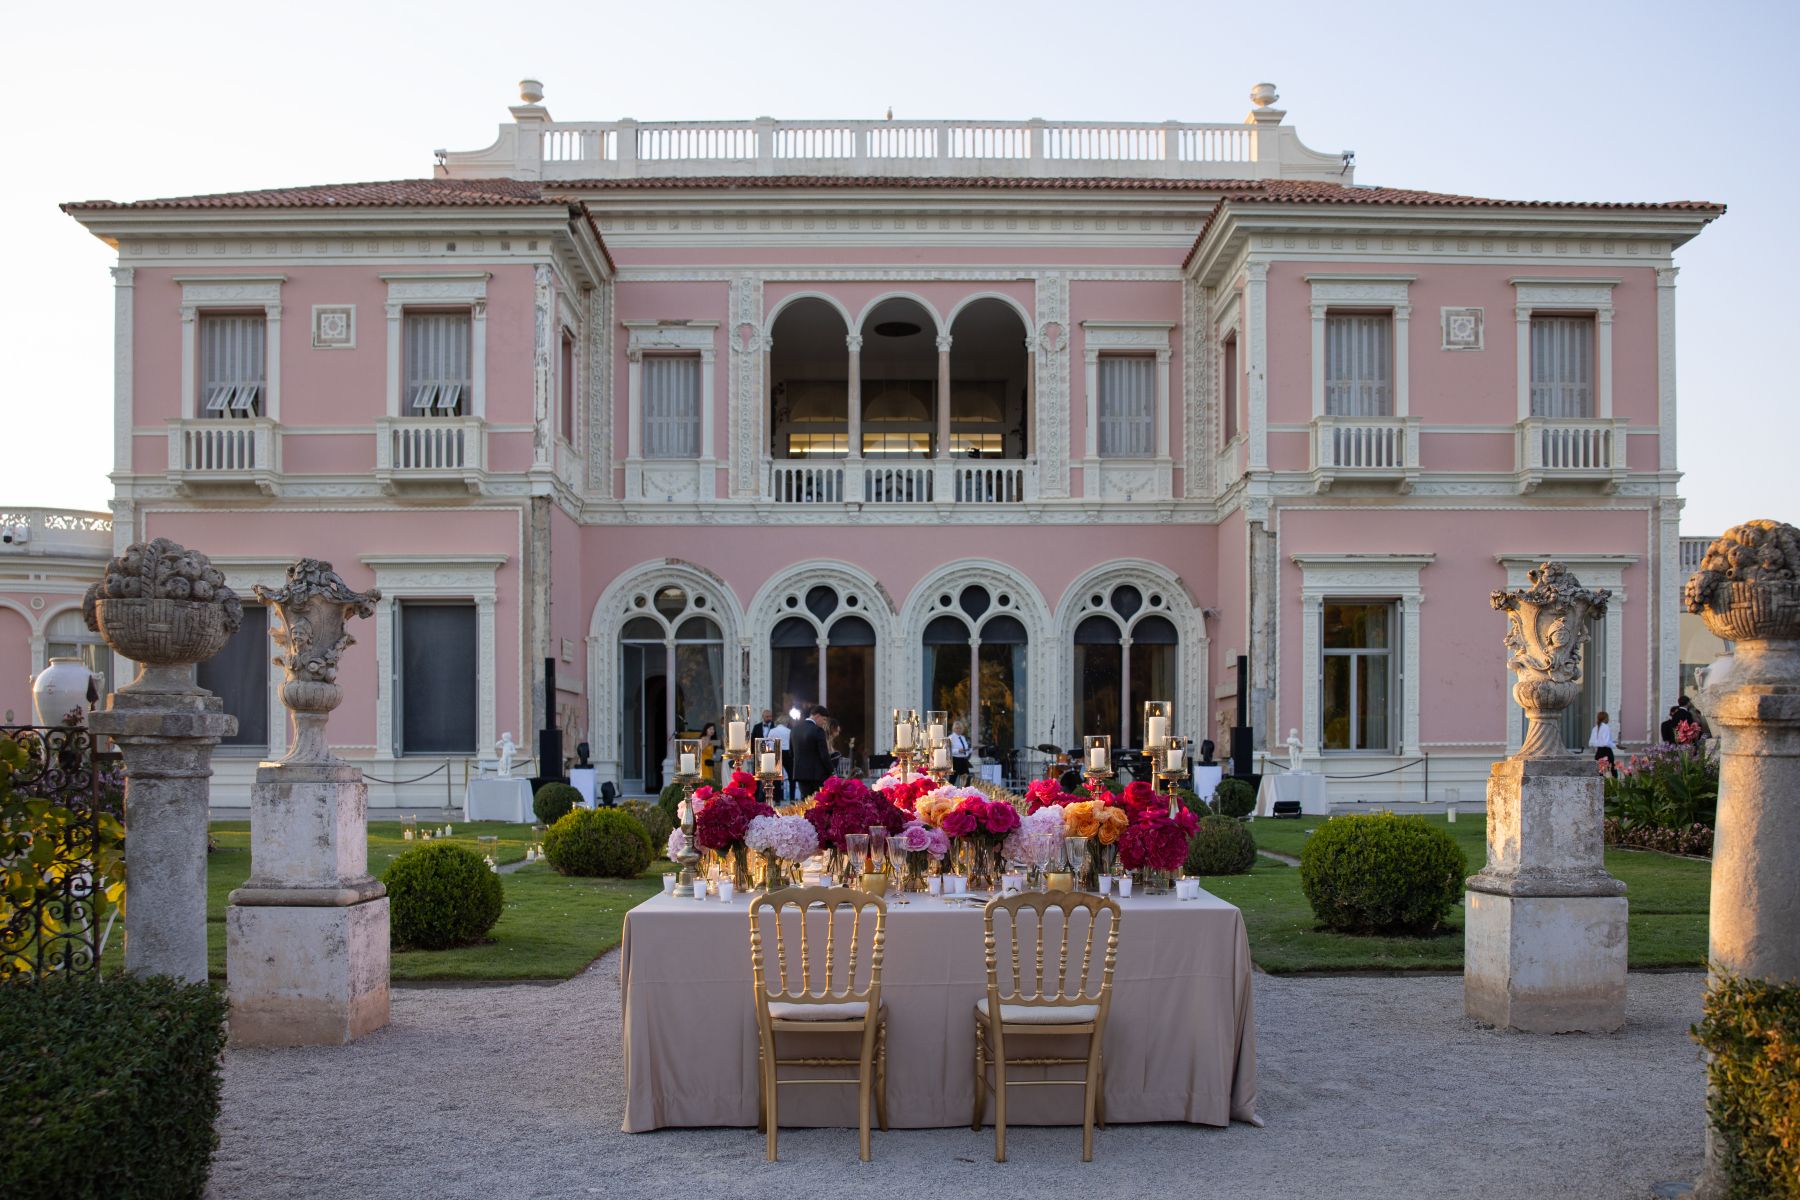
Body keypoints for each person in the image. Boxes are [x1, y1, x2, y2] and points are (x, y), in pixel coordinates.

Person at [791, 704, 834, 799]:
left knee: (805, 804)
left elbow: (791, 752)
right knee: (817, 804)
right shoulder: (818, 730)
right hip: (817, 775)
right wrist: (832, 771)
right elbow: (824, 755)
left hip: (800, 773)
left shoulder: (795, 729)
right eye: (824, 720)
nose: (824, 723)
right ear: (817, 716)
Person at [768, 716, 794, 802]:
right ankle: (792, 798)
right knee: (791, 776)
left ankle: (777, 799)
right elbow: (791, 743)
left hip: (776, 751)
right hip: (787, 752)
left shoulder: (772, 731)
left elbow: (769, 742)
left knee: (777, 777)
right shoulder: (789, 731)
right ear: (785, 722)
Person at [1588, 711, 1618, 776]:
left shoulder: (1594, 728)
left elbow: (1590, 743)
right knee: (1612, 771)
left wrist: (1598, 743)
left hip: (1599, 752)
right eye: (1608, 718)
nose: (1608, 719)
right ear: (1605, 718)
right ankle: (1612, 785)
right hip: (1607, 752)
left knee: (1600, 772)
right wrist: (1616, 746)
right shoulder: (1606, 727)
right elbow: (1606, 743)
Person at [949, 719, 972, 785]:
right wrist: (958, 750)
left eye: (960, 728)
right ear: (954, 729)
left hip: (963, 760)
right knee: (952, 779)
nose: (958, 730)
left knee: (966, 779)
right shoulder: (951, 737)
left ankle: (965, 793)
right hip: (955, 760)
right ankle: (950, 793)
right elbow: (948, 750)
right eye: (957, 728)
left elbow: (966, 749)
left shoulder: (963, 737)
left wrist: (971, 749)